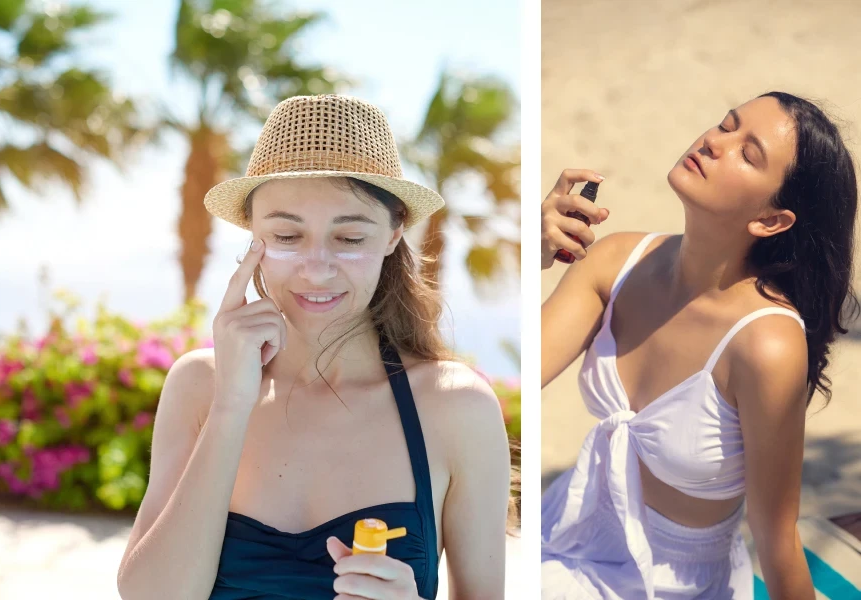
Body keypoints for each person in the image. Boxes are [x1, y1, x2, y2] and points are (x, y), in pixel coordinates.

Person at [116, 94, 511, 600]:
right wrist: (232, 406)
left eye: (349, 239)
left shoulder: (456, 408)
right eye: (286, 234)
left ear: (393, 235)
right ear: (252, 236)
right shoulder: (200, 386)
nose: (317, 267)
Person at [540, 92, 859, 599]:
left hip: (671, 583)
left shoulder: (766, 345)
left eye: (747, 153)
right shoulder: (614, 262)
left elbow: (778, 540)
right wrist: (532, 254)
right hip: (564, 530)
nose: (715, 141)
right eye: (725, 125)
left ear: (771, 221)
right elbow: (494, 388)